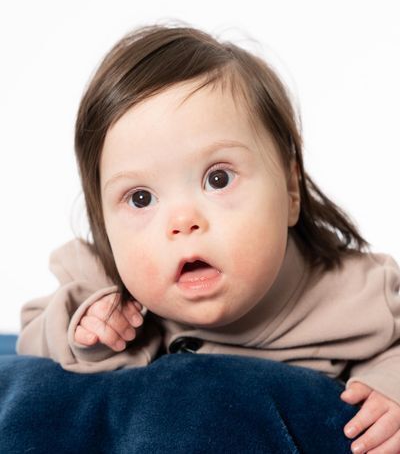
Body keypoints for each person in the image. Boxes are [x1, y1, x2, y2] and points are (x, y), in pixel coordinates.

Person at [17, 23, 400, 453]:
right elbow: (30, 335)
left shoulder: (357, 294)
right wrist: (84, 331)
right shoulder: (101, 284)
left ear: (291, 191)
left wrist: (391, 386)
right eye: (140, 198)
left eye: (218, 178)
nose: (183, 221)